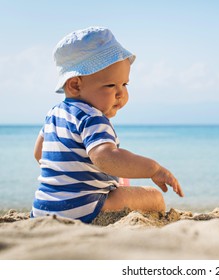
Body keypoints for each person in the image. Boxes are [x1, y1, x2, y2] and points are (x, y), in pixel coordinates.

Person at [32, 26, 184, 223]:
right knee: (153, 196)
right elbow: (105, 157)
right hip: (85, 208)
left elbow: (39, 154)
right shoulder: (92, 117)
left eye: (124, 84)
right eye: (111, 85)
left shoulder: (53, 114)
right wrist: (153, 169)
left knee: (118, 183)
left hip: (42, 209)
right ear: (75, 85)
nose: (121, 93)